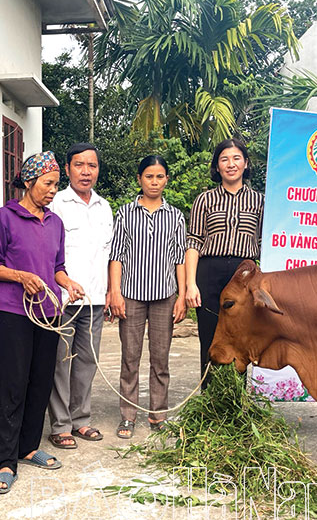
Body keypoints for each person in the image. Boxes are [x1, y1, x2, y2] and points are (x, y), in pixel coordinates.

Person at [0, 151, 85, 494]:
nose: (53, 190)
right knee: (12, 384)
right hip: (15, 312)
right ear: (29, 182)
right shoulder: (5, 217)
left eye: (56, 184)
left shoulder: (54, 222)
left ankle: (28, 447)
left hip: (49, 313)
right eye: (48, 183)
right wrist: (19, 276)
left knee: (40, 382)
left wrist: (67, 282)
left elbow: (57, 265)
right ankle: (6, 461)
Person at [108, 156, 187, 439]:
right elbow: (116, 255)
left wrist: (181, 295)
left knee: (160, 359)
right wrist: (115, 292)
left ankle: (158, 415)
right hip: (131, 296)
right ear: (140, 179)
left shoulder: (175, 216)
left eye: (160, 177)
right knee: (130, 358)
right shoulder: (125, 213)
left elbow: (180, 258)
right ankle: (128, 416)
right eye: (149, 177)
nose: (154, 182)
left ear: (166, 179)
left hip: (165, 296)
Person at [47, 143, 113, 448]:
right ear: (68, 168)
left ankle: (81, 419)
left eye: (92, 165)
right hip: (63, 300)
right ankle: (60, 425)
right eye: (79, 165)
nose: (86, 171)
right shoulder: (57, 203)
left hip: (96, 299)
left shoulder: (104, 207)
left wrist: (112, 291)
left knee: (88, 361)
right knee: (61, 362)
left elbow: (109, 254)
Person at [185, 139, 264, 383]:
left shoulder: (260, 201)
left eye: (236, 158)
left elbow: (262, 242)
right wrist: (190, 284)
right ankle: (208, 403)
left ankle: (235, 404)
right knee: (210, 337)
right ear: (217, 167)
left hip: (243, 276)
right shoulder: (204, 200)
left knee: (240, 338)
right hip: (209, 272)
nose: (231, 164)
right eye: (224, 159)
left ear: (246, 163)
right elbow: (194, 242)